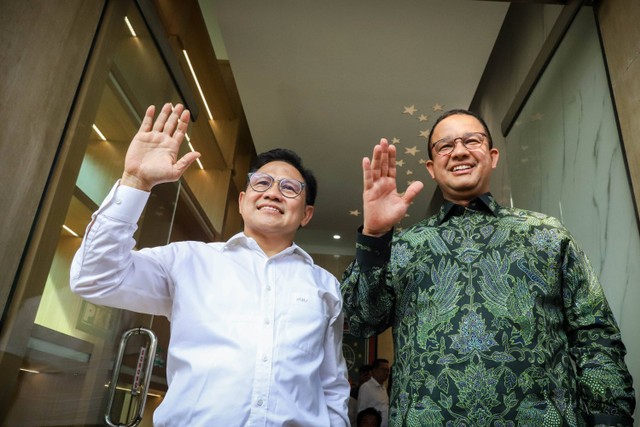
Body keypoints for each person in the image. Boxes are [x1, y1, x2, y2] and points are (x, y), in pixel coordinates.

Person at [341, 109, 636, 426]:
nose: (459, 151)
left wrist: (609, 417)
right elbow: (359, 321)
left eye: (472, 140)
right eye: (445, 146)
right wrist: (374, 236)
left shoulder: (547, 235)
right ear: (431, 167)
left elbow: (595, 334)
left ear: (493, 156)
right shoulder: (403, 247)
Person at [70, 103, 350, 426]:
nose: (274, 192)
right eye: (262, 183)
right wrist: (135, 181)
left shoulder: (326, 286)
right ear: (243, 202)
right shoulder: (189, 260)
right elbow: (94, 278)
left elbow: (332, 385)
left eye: (289, 188)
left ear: (306, 214)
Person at [357, 359, 390, 427]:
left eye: (388, 370)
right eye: (383, 370)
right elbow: (361, 412)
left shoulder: (383, 387)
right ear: (374, 370)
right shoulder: (366, 387)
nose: (386, 373)